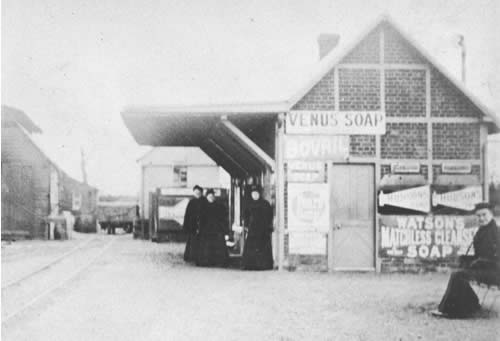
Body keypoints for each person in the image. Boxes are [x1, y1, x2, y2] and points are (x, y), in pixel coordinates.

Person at [432, 202, 500, 318]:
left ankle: (452, 310)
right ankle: (471, 303)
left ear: (491, 215)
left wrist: (479, 262)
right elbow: (481, 254)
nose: (481, 218)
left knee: (458, 276)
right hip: (485, 268)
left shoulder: (496, 233)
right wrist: (466, 259)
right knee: (459, 273)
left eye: (484, 215)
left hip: (494, 272)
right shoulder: (483, 230)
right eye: (478, 216)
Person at [242, 185, 274, 270]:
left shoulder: (265, 204)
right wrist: (246, 226)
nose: (255, 195)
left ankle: (263, 265)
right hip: (252, 230)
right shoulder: (249, 204)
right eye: (253, 194)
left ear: (259, 194)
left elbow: (269, 216)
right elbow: (245, 216)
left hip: (262, 230)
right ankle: (251, 265)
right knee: (252, 247)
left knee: (262, 247)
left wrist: (268, 226)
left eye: (256, 193)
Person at [196, 189, 229, 267]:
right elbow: (200, 218)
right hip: (206, 229)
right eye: (209, 196)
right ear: (206, 197)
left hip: (217, 229)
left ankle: (218, 261)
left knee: (218, 245)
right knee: (206, 245)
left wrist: (223, 229)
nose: (211, 198)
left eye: (212, 196)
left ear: (214, 197)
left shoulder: (219, 206)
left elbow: (224, 218)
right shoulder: (203, 206)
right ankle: (206, 261)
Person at [183, 185, 207, 262]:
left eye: (199, 192)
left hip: (202, 224)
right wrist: (186, 225)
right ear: (194, 193)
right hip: (192, 224)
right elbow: (187, 215)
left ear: (201, 193)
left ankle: (200, 257)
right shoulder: (191, 202)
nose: (197, 194)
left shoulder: (204, 201)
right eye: (196, 192)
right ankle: (191, 256)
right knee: (192, 241)